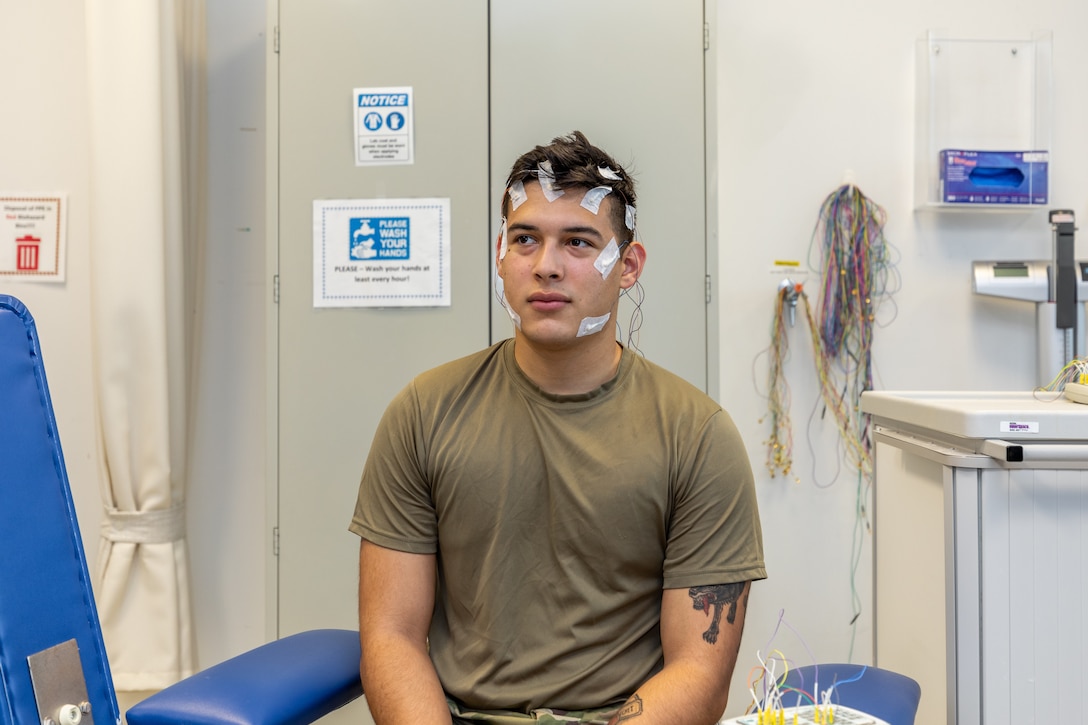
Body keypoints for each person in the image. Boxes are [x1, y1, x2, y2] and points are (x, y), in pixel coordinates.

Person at [349, 131, 765, 725]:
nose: (546, 266)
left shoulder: (697, 438)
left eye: (578, 242)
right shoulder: (423, 413)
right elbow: (391, 636)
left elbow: (699, 674)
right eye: (525, 239)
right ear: (500, 255)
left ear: (629, 265)